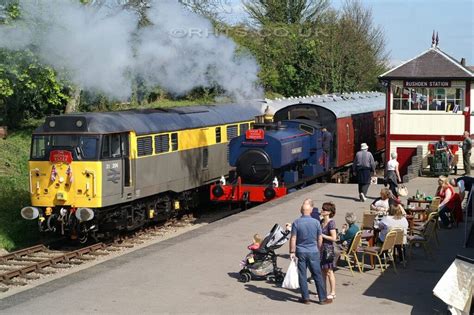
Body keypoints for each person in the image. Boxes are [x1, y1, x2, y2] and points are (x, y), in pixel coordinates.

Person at [289, 198, 332, 305]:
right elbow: (320, 238)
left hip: (300, 251)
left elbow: (293, 238)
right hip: (313, 251)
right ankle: (322, 298)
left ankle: (305, 298)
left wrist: (292, 252)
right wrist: (319, 249)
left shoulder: (296, 222)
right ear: (311, 210)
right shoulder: (316, 222)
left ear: (301, 210)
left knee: (302, 275)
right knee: (317, 274)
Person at [320, 202, 337, 300]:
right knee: (322, 271)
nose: (322, 210)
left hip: (328, 249)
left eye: (324, 209)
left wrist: (323, 235)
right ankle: (323, 292)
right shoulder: (321, 221)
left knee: (329, 271)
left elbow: (334, 238)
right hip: (321, 249)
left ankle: (333, 292)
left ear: (329, 212)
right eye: (322, 209)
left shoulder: (331, 222)